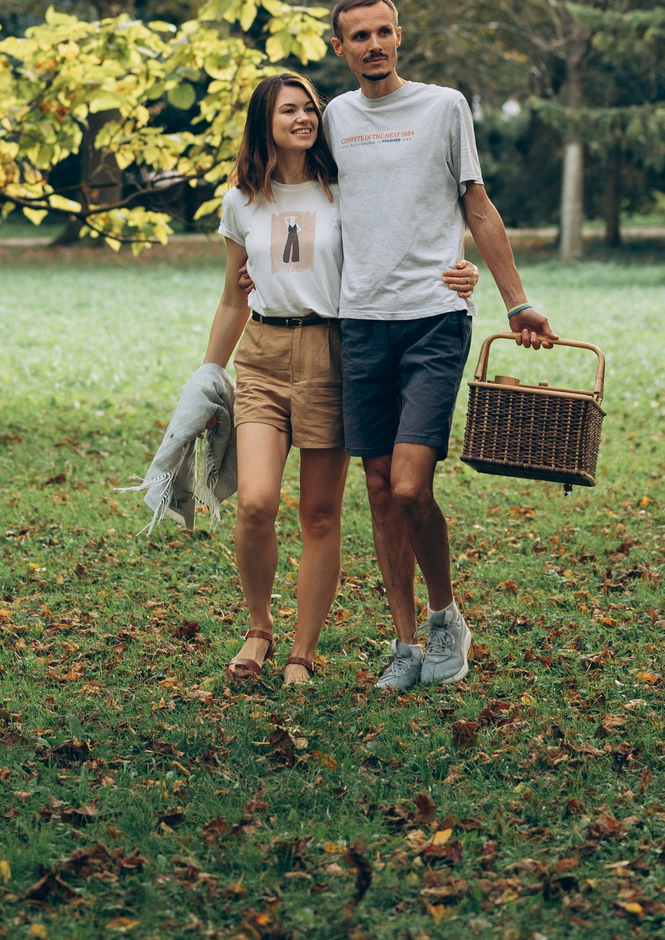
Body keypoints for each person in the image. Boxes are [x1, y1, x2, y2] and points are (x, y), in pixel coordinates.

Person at [200, 72, 480, 687]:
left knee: (321, 515)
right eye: (287, 112)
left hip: (332, 349)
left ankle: (302, 653)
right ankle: (258, 630)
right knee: (255, 502)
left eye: (309, 109)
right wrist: (206, 374)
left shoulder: (340, 188)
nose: (303, 119)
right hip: (264, 353)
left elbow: (402, 234)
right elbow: (231, 297)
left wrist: (458, 272)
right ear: (262, 124)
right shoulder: (240, 199)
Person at [322, 0, 554, 693]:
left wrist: (518, 301)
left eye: (384, 31)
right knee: (376, 486)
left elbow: (475, 204)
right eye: (359, 36)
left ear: (400, 35)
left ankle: (445, 614)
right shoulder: (334, 116)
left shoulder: (444, 106)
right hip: (360, 319)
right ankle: (402, 644)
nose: (374, 44)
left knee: (410, 484)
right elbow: (319, 203)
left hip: (433, 317)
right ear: (341, 48)